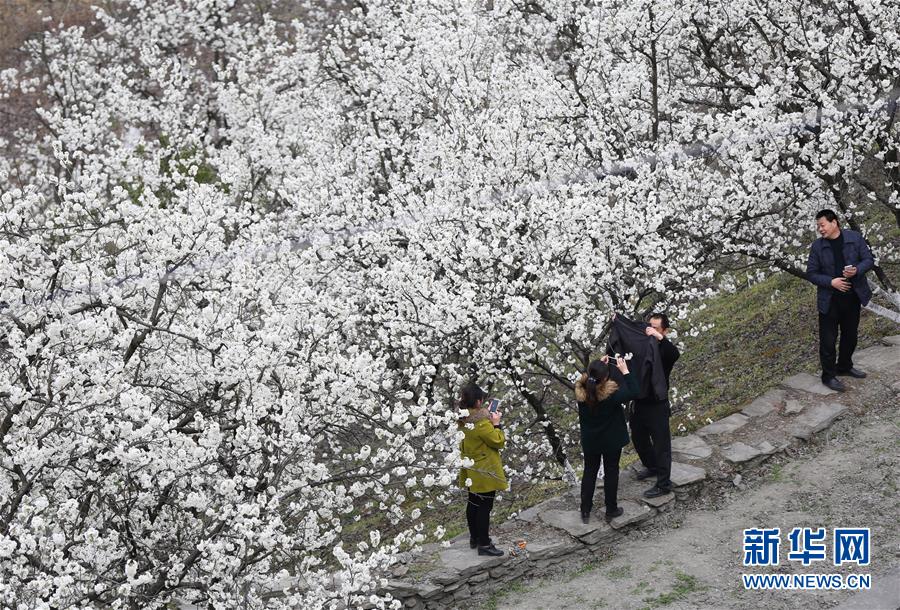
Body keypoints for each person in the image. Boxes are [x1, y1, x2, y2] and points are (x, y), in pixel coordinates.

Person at [805, 209, 874, 392]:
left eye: (822, 225)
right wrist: (831, 282)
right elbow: (811, 273)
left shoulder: (854, 238)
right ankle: (828, 376)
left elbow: (868, 260)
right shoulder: (817, 246)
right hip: (829, 300)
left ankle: (844, 366)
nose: (820, 229)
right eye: (818, 226)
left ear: (834, 222)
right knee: (828, 340)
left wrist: (857, 270)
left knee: (850, 335)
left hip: (853, 296)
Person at [575, 355, 638, 524]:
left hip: (591, 441)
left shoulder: (582, 394)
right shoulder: (611, 396)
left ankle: (585, 510)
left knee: (589, 472)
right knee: (611, 471)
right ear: (605, 379)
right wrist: (625, 371)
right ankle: (611, 509)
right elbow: (634, 391)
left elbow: (589, 378)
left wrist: (598, 367)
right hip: (611, 440)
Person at [632, 313, 680, 499]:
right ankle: (652, 466)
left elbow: (675, 354)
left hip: (657, 404)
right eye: (649, 326)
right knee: (639, 438)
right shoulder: (643, 343)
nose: (650, 330)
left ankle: (663, 484)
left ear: (664, 330)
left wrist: (659, 338)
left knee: (661, 445)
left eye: (655, 328)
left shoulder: (665, 350)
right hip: (640, 402)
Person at [457, 383, 506, 556]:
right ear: (478, 402)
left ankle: (475, 538)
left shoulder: (462, 419)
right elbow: (498, 441)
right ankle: (484, 544)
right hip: (485, 469)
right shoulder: (481, 423)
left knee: (473, 503)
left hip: (470, 467)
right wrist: (496, 424)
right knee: (485, 506)